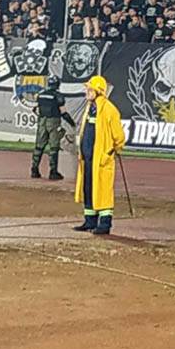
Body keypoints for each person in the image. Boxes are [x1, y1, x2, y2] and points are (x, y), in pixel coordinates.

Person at [74, 75, 126, 235]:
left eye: (89, 89)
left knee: (103, 191)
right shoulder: (90, 108)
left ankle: (105, 223)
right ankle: (90, 220)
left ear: (98, 91)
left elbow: (119, 136)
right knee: (88, 189)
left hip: (101, 160)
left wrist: (109, 152)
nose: (86, 92)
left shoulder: (109, 109)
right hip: (88, 159)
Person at [32, 76, 74, 180]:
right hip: (53, 122)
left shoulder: (41, 95)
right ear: (57, 84)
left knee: (39, 146)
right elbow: (63, 112)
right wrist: (71, 123)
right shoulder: (58, 96)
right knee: (54, 147)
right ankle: (53, 172)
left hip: (42, 121)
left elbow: (35, 109)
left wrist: (42, 116)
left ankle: (34, 170)